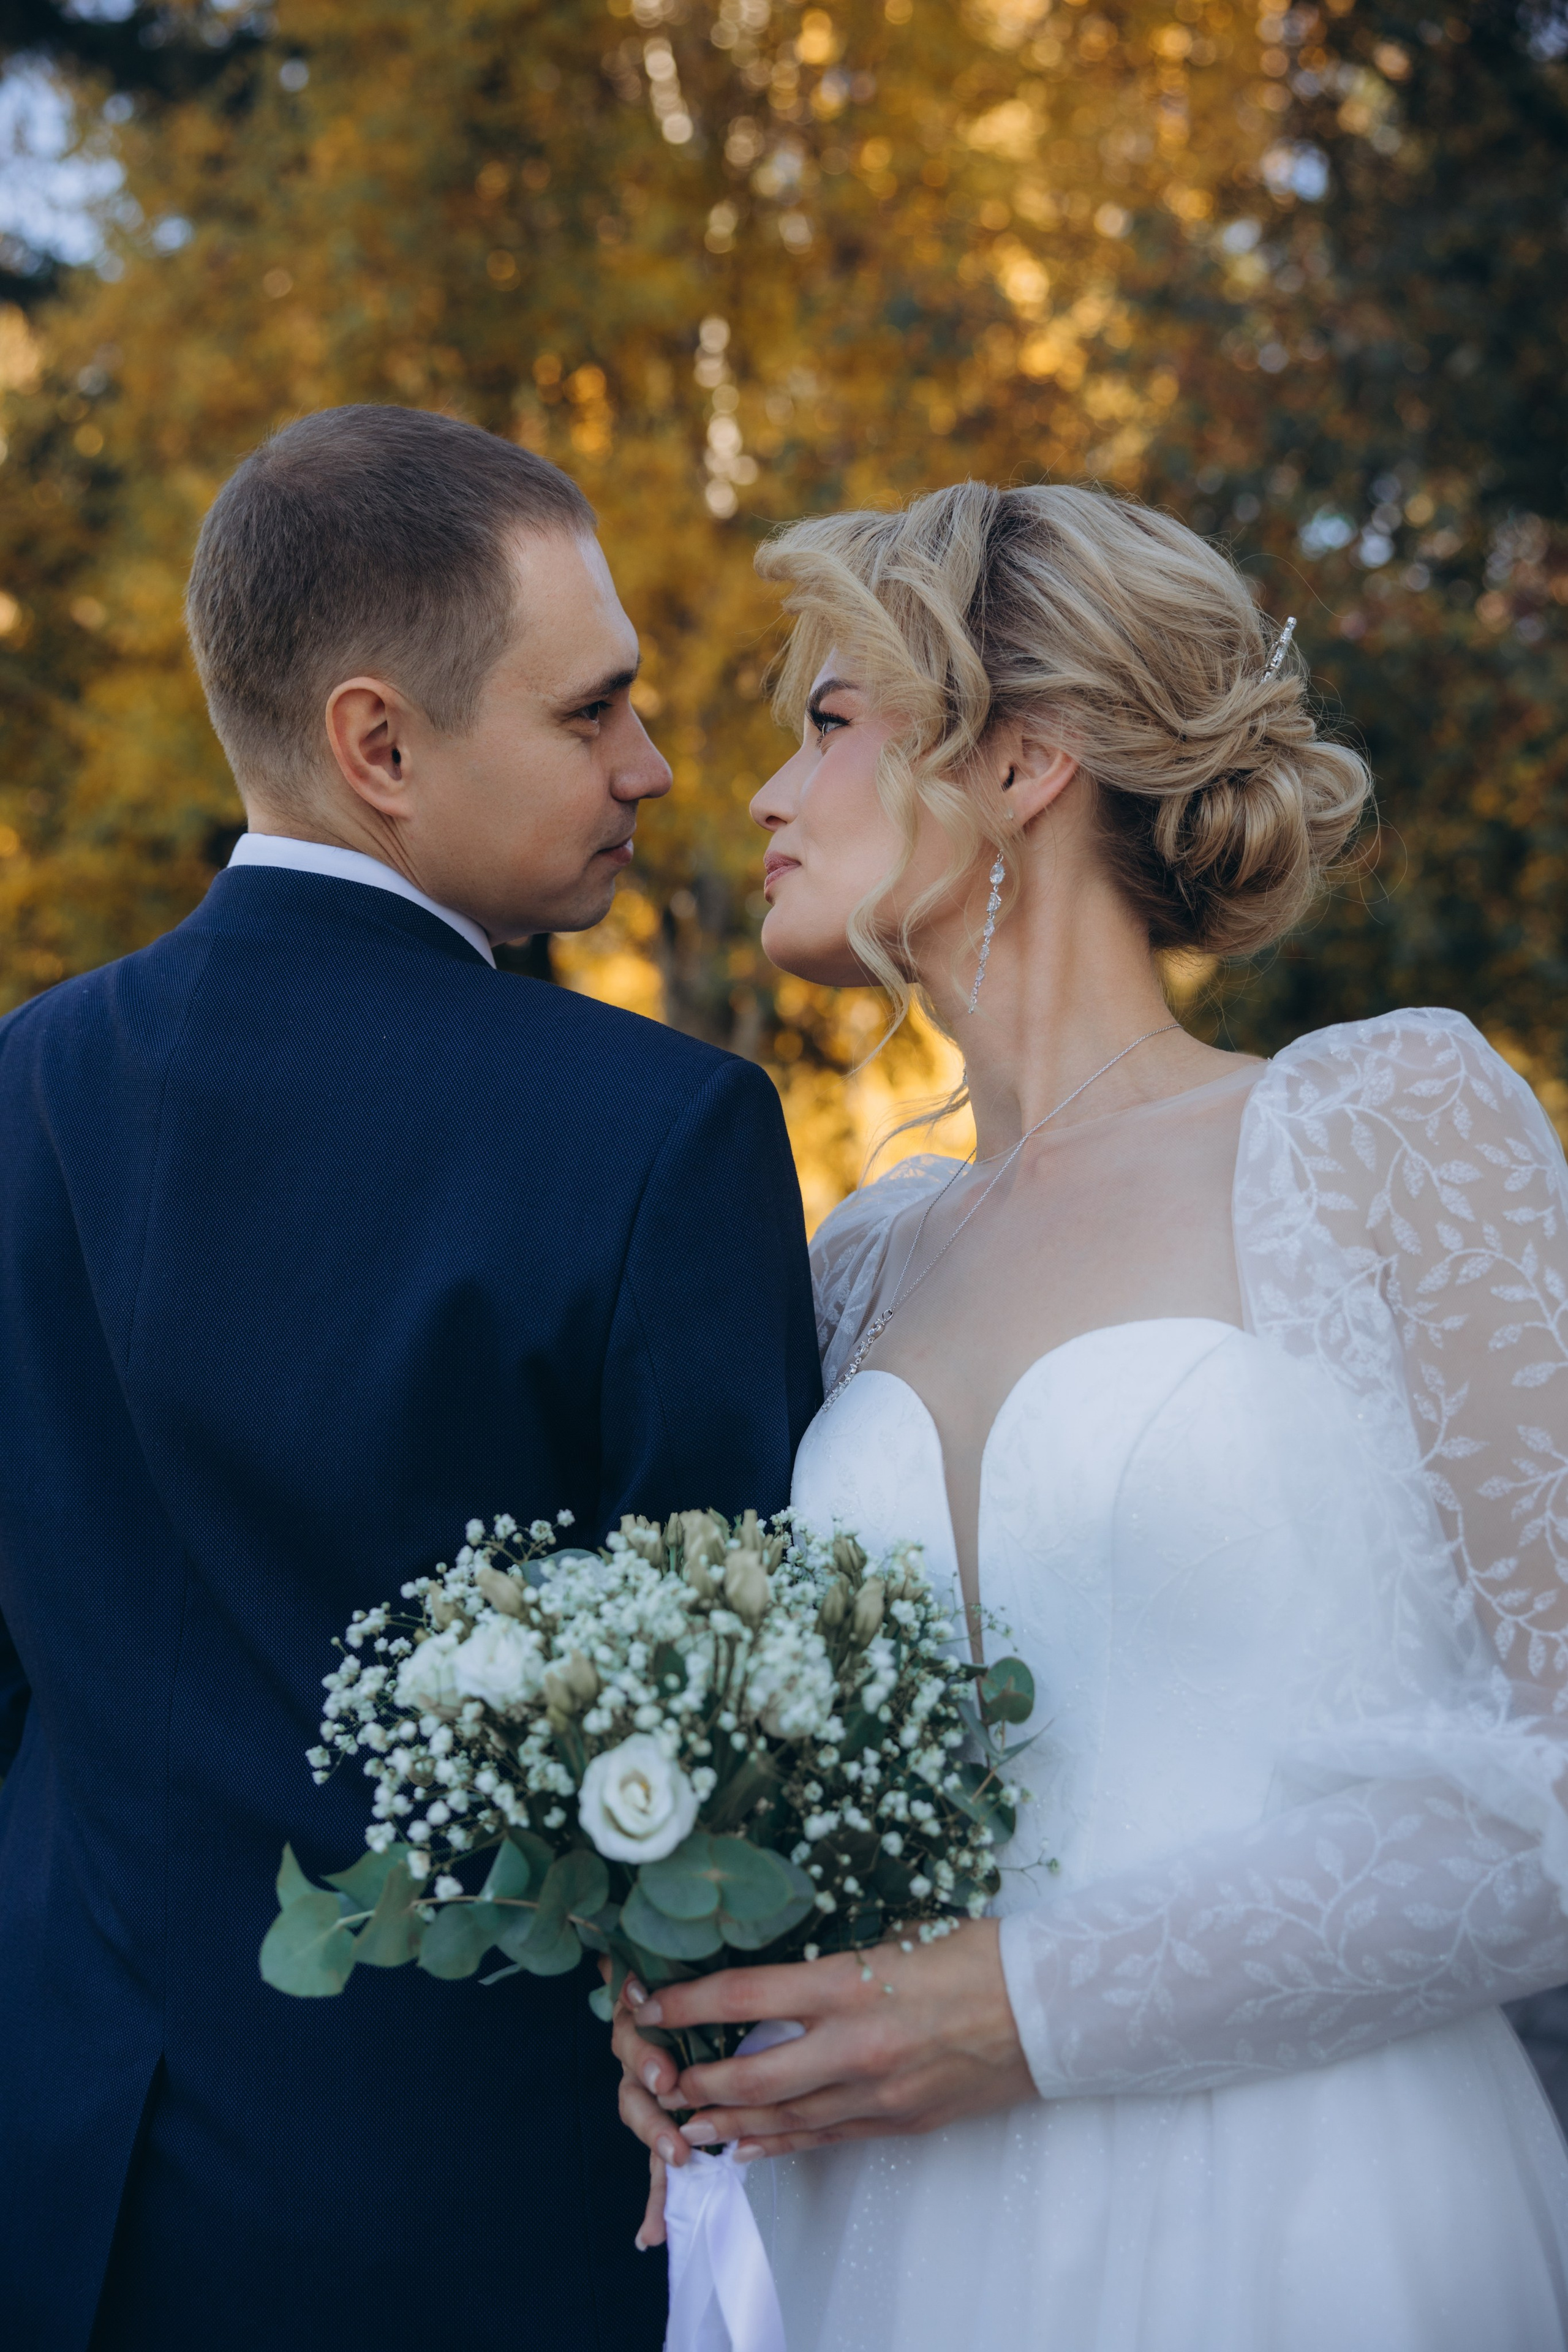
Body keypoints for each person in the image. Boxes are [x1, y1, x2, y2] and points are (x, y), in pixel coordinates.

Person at [614, 481, 1568, 2350]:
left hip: (1303, 2214)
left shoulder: (1387, 1129)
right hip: (885, 2231)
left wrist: (1031, 2011)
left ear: (1027, 756)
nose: (764, 795)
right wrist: (687, 1989)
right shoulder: (857, 1260)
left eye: (828, 723)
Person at [0, 404, 821, 2351]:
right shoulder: (663, 1134)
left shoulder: (19, 1091)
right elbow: (729, 1766)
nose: (651, 764)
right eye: (588, 712)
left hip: (55, 2178)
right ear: (379, 744)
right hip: (484, 2220)